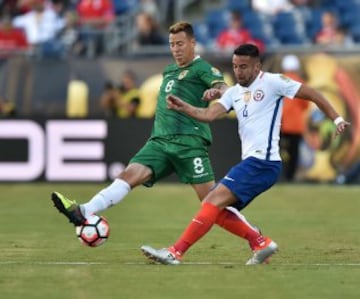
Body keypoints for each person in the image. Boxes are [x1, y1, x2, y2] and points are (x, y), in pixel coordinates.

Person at [51, 22, 268, 256]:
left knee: (211, 202)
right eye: (172, 44)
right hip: (159, 142)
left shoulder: (203, 68)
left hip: (189, 144)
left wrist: (218, 92)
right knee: (128, 176)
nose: (175, 49)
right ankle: (84, 210)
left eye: (180, 44)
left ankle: (257, 238)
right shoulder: (169, 71)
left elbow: (223, 87)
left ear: (193, 43)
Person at [140, 43, 350, 265]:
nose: (238, 71)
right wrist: (185, 108)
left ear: (257, 66)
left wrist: (336, 118)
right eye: (235, 66)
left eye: (243, 66)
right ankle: (260, 242)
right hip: (253, 162)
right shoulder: (233, 93)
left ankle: (175, 252)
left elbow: (313, 93)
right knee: (217, 209)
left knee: (211, 200)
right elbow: (209, 114)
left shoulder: (273, 81)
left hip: (264, 162)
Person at [279, 54, 309, 181]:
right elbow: (305, 104)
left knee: (277, 151)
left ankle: (276, 176)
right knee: (293, 153)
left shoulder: (278, 81)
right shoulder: (300, 83)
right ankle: (289, 177)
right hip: (295, 125)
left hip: (279, 123)